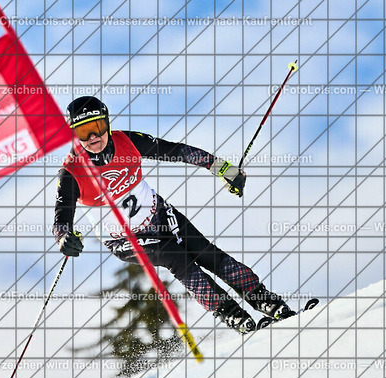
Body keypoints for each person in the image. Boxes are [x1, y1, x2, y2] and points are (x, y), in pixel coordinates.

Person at [53, 96, 295, 334]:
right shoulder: (71, 172)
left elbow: (175, 151)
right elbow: (61, 218)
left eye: (96, 127)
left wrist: (222, 168)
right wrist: (64, 238)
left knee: (206, 253)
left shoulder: (127, 141)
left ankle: (267, 301)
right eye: (83, 132)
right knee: (177, 259)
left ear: (106, 123)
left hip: (160, 215)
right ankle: (232, 314)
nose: (93, 137)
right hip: (125, 239)